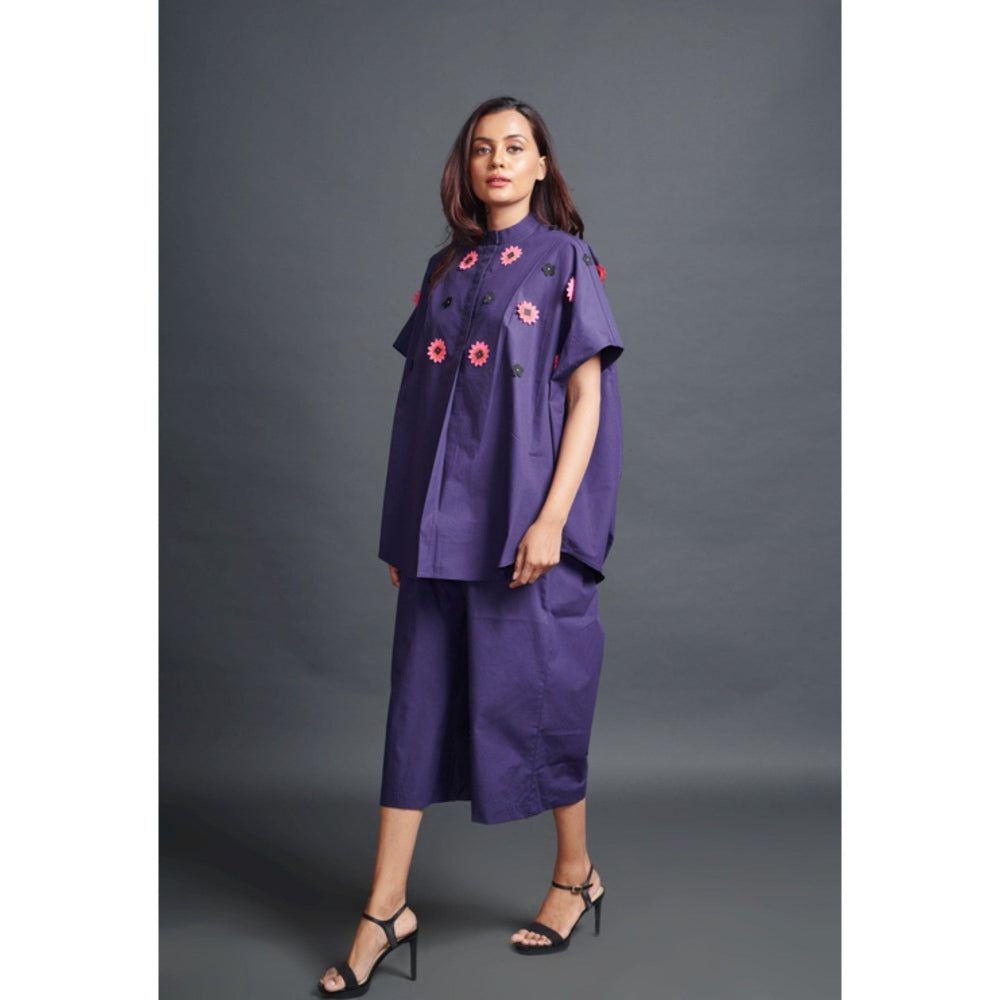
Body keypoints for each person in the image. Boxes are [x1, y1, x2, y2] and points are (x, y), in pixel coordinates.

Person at [318, 96, 625, 996]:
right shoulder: (444, 269)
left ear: (540, 165)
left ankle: (575, 873)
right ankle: (385, 908)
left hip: (521, 528)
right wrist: (403, 528)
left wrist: (552, 519)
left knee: (541, 698)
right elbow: (418, 410)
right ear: (467, 165)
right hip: (436, 534)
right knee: (415, 710)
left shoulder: (565, 260)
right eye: (483, 148)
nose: (498, 160)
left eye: (515, 147)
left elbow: (587, 399)